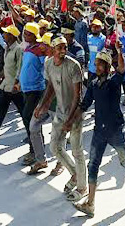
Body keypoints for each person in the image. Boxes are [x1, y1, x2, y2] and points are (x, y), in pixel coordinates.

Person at [66, 48, 125, 218]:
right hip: (99, 132)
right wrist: (71, 121)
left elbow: (122, 69)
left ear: (106, 66)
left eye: (99, 64)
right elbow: (84, 105)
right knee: (93, 165)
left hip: (115, 130)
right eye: (96, 64)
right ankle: (90, 203)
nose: (96, 67)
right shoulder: (94, 84)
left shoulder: (114, 82)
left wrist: (119, 51)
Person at [32, 36, 87, 201]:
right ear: (53, 48)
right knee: (54, 147)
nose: (63, 51)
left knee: (77, 151)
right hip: (59, 112)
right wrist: (42, 105)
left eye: (65, 48)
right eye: (60, 48)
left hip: (75, 115)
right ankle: (74, 174)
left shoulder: (73, 66)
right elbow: (50, 87)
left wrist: (70, 121)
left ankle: (82, 187)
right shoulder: (48, 63)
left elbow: (78, 96)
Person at [19, 22, 49, 166]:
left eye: (28, 34)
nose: (25, 35)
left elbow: (46, 67)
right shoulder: (28, 47)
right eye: (25, 33)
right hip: (26, 88)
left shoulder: (39, 49)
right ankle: (36, 146)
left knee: (29, 118)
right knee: (30, 119)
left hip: (36, 89)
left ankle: (35, 150)